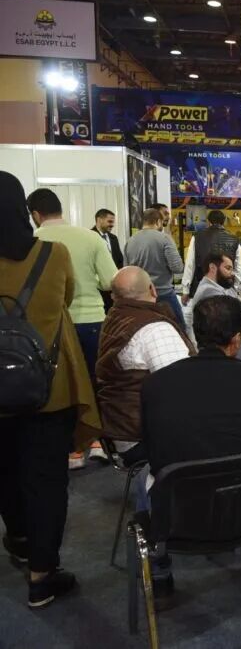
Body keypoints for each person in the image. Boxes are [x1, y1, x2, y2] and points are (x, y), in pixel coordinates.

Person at [0, 172, 100, 607]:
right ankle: (42, 575)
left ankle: (20, 539)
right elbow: (67, 297)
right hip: (48, 387)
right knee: (46, 481)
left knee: (5, 472)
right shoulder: (52, 254)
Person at [139, 295, 241, 600]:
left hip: (179, 513)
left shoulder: (156, 384)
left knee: (144, 476)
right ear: (237, 338)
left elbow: (152, 448)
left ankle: (159, 576)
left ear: (195, 334)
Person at [95, 267, 193, 462]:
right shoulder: (156, 329)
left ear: (113, 296)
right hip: (146, 436)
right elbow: (181, 389)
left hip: (120, 430)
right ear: (153, 289)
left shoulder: (114, 319)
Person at [28, 189, 118, 382]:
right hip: (92, 320)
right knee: (95, 380)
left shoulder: (32, 240)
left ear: (35, 214)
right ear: (60, 210)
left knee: (61, 383)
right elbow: (109, 281)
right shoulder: (91, 237)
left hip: (51, 323)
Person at [192, 251, 241, 363]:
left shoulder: (226, 288)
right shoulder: (209, 292)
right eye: (228, 268)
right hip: (232, 348)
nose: (232, 273)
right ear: (212, 268)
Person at [124, 208, 185, 328]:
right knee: (179, 329)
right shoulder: (164, 238)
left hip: (139, 297)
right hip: (163, 295)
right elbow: (177, 267)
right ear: (158, 221)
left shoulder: (130, 241)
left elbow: (126, 270)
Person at [180, 210, 241, 303]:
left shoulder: (197, 237)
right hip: (225, 289)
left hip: (202, 288)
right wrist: (234, 287)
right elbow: (239, 268)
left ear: (208, 222)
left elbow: (190, 264)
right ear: (224, 222)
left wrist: (185, 290)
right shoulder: (234, 240)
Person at [92, 209, 124, 313]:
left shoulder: (114, 238)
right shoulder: (89, 236)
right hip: (97, 287)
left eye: (113, 222)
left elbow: (119, 261)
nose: (112, 225)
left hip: (113, 287)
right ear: (99, 220)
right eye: (109, 221)